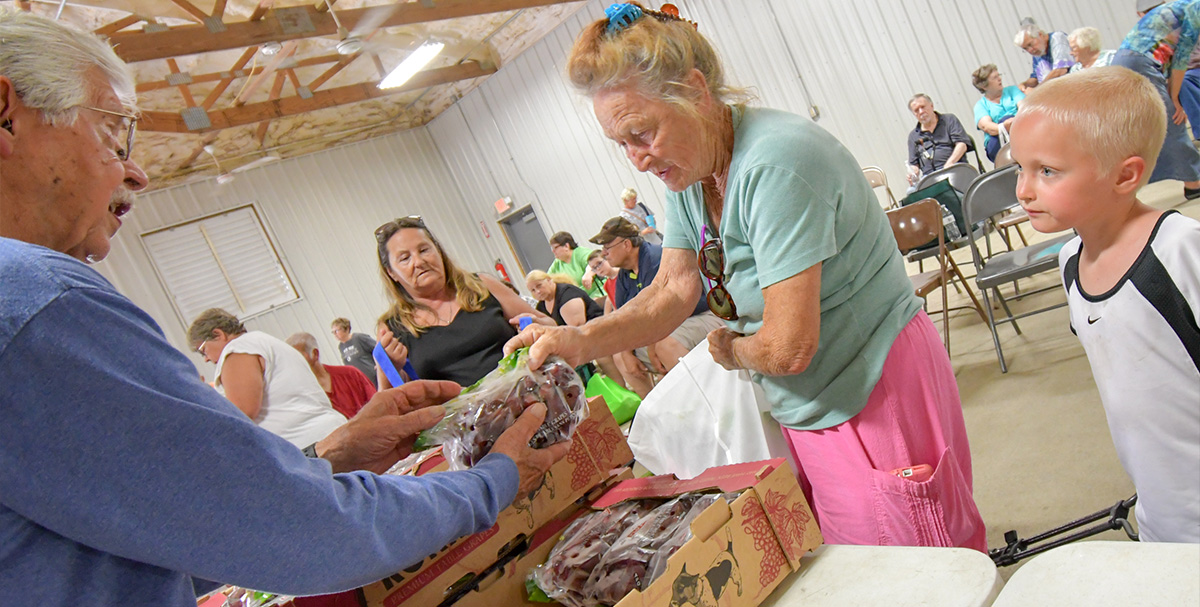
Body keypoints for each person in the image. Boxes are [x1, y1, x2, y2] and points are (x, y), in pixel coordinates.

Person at [0, 9, 569, 604]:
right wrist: (490, 483)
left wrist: (326, 458)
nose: (137, 174)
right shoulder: (39, 305)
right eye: (116, 135)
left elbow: (163, 526)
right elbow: (302, 533)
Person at [508, 2, 986, 550]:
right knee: (860, 560)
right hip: (812, 401)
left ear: (695, 91)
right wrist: (579, 340)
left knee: (917, 568)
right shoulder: (691, 174)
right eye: (621, 144)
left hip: (870, 387)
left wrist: (730, 350)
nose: (636, 160)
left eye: (642, 133)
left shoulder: (777, 165)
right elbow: (672, 288)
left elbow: (786, 348)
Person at [1009, 67, 1200, 542]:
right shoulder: (1071, 261)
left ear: (1125, 175)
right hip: (1164, 510)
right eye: (1020, 168)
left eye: (1047, 171)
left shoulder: (1180, 251)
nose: (1023, 190)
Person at [374, 216, 554, 388]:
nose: (419, 261)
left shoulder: (482, 285)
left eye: (424, 250)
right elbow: (397, 401)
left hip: (530, 398)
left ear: (439, 251)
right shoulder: (392, 327)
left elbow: (550, 325)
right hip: (463, 419)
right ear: (391, 272)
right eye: (405, 258)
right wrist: (388, 371)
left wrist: (535, 325)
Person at [189, 309, 348, 447]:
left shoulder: (237, 350)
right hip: (328, 434)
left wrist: (202, 400)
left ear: (218, 334)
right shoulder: (265, 342)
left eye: (203, 351)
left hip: (308, 444)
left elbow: (242, 412)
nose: (206, 359)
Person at [591, 217, 723, 375]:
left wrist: (652, 348)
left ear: (626, 244)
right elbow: (624, 317)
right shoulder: (625, 275)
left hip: (701, 315)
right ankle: (652, 398)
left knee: (665, 346)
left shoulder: (655, 259)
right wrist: (626, 352)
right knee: (621, 357)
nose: (604, 254)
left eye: (607, 247)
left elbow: (659, 313)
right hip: (667, 326)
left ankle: (706, 392)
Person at [1111, 0, 1200, 199]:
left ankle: (1130, 183)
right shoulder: (1195, 10)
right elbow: (1180, 60)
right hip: (1139, 62)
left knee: (1148, 126)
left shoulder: (1181, 8)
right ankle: (1195, 182)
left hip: (1127, 60)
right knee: (1171, 119)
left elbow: (1168, 56)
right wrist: (1175, 98)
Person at [526, 270, 626, 387]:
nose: (537, 291)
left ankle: (622, 390)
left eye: (539, 286)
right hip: (578, 339)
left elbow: (577, 328)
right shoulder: (541, 306)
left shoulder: (567, 294)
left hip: (598, 332)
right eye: (533, 290)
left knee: (601, 357)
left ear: (549, 280)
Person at [286, 331, 377, 419]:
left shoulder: (350, 374)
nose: (293, 363)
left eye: (297, 357)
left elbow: (377, 404)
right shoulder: (300, 396)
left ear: (315, 354)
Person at [905, 94, 971, 188]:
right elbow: (914, 164)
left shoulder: (949, 120)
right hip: (930, 178)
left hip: (954, 169)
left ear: (931, 106)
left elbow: (962, 145)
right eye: (916, 110)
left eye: (923, 107)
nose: (921, 112)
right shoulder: (913, 136)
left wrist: (949, 164)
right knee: (911, 192)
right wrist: (912, 173)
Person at [971, 64, 1025, 162]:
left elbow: (1024, 108)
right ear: (984, 86)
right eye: (995, 78)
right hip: (997, 142)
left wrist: (1013, 123)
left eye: (999, 75)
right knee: (1005, 119)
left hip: (1021, 130)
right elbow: (986, 126)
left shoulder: (1012, 91)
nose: (999, 79)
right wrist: (1004, 126)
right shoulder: (981, 105)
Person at [1014, 18, 1074, 90]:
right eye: (1025, 49)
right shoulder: (1038, 52)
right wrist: (1025, 84)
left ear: (1040, 34)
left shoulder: (1057, 38)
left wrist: (1038, 90)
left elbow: (1060, 70)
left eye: (1030, 44)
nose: (1030, 50)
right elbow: (1035, 78)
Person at [547, 231, 604, 299]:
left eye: (555, 248)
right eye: (552, 249)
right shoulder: (556, 264)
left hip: (597, 294)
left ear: (566, 246)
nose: (553, 251)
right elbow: (546, 279)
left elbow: (595, 263)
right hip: (578, 300)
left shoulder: (580, 252)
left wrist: (588, 274)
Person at [330, 317, 378, 387]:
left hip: (374, 377)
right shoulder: (341, 347)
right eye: (333, 332)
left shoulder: (359, 338)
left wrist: (378, 364)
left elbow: (377, 348)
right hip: (362, 382)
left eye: (337, 331)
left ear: (346, 329)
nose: (335, 334)